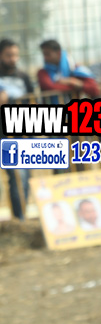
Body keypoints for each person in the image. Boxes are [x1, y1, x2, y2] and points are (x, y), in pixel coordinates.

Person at [1, 38, 33, 219]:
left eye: (15, 55)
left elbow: (32, 100)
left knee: (21, 176)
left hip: (21, 134)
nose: (13, 59)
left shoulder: (23, 76)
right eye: (8, 55)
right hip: (3, 134)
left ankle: (20, 218)